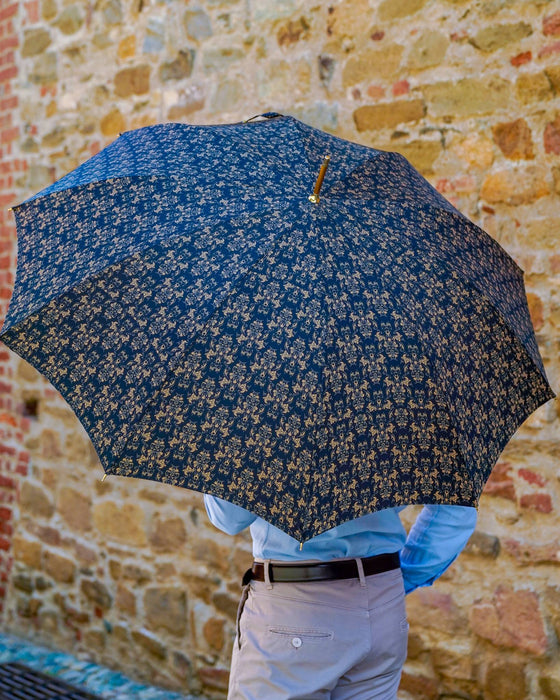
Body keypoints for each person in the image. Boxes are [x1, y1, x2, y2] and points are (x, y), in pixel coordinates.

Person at [204, 495, 477, 700]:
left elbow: (228, 518)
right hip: (383, 606)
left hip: (295, 609)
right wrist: (396, 581)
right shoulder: (412, 419)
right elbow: (456, 510)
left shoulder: (266, 420)